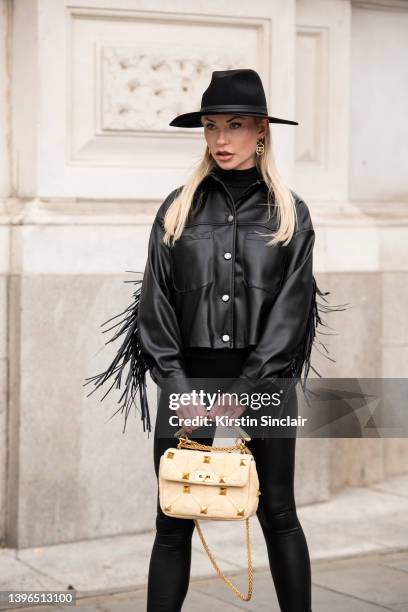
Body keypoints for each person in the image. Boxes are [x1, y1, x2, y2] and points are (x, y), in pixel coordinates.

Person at [85, 69, 343, 611]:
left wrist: (243, 391)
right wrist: (179, 386)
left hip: (265, 384)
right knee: (174, 517)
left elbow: (291, 313)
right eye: (210, 126)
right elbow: (154, 304)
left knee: (279, 514)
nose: (221, 139)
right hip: (188, 383)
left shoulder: (290, 213)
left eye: (235, 125)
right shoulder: (176, 208)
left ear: (261, 131)